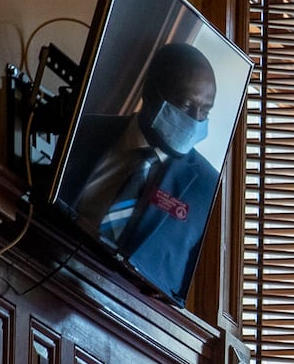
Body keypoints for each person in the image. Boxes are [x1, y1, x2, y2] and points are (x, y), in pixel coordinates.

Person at [68, 41, 220, 304]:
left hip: (132, 327)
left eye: (204, 111)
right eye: (185, 105)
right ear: (150, 91)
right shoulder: (83, 133)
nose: (195, 120)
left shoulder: (207, 191)